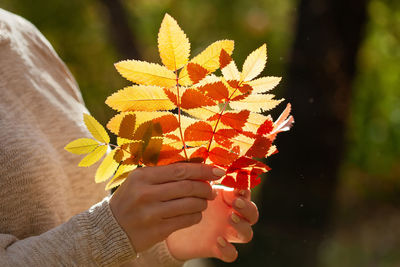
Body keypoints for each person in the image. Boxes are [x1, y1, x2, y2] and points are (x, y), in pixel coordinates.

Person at [0, 8, 258, 266]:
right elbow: (99, 234)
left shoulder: (25, 39)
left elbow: (91, 241)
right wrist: (111, 229)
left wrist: (162, 238)